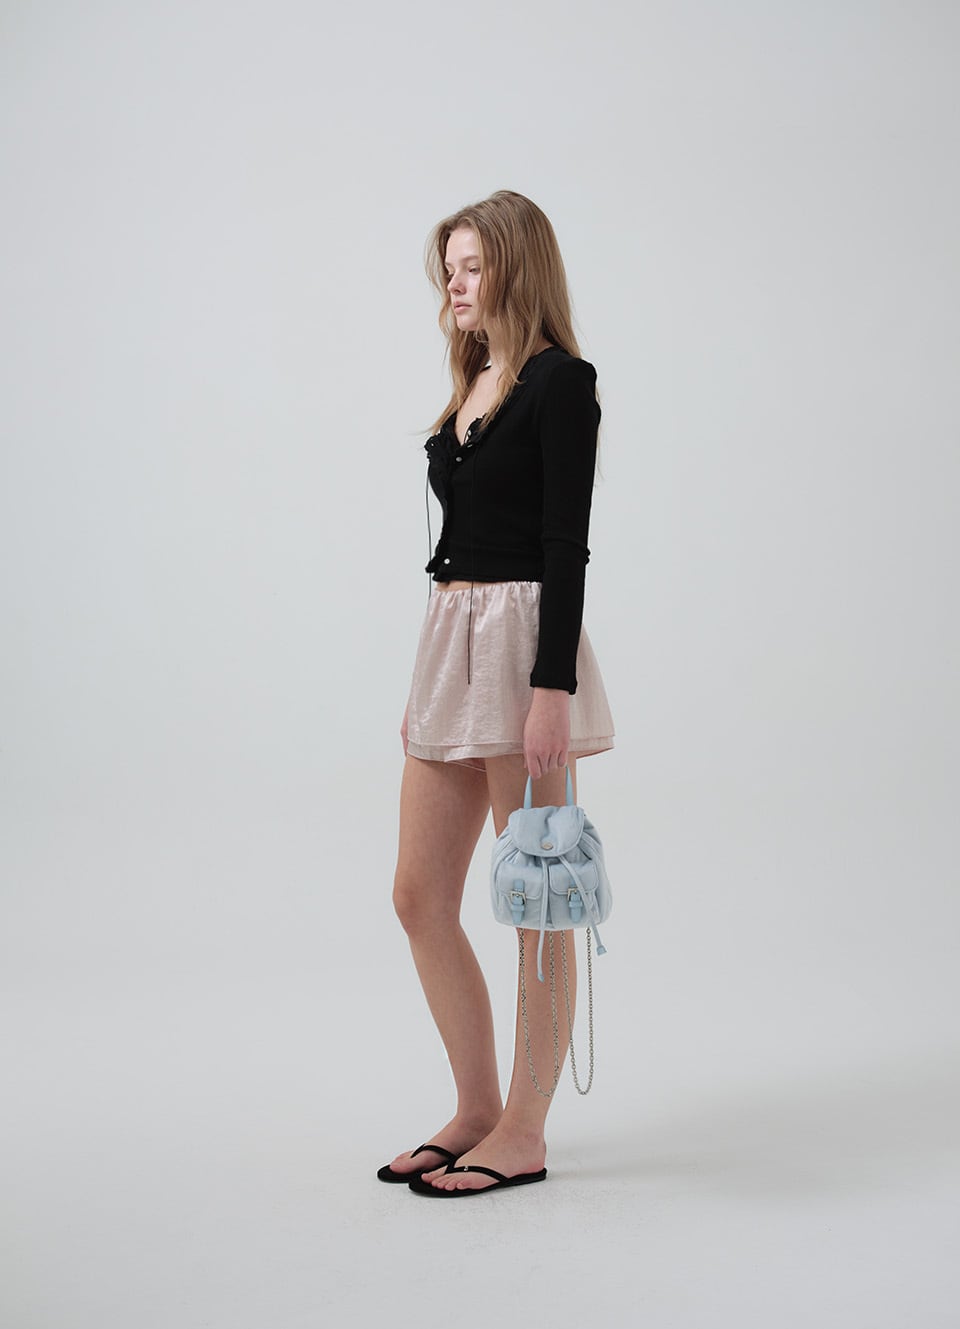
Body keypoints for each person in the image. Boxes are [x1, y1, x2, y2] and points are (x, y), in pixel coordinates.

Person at [378, 189, 615, 1196]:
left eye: (473, 266)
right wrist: (439, 673)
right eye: (450, 269)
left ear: (517, 267)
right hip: (451, 642)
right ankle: (476, 1107)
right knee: (418, 895)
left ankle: (525, 1128)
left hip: (523, 646)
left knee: (538, 901)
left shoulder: (563, 383)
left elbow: (566, 545)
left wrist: (550, 688)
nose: (456, 285)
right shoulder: (471, 376)